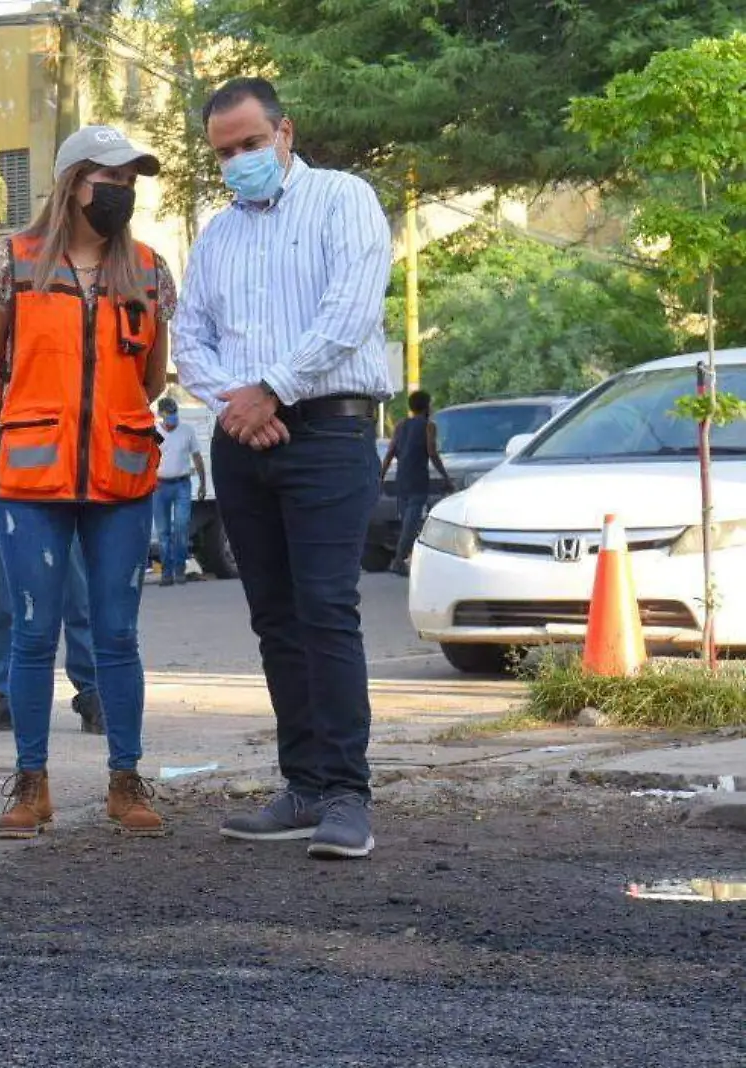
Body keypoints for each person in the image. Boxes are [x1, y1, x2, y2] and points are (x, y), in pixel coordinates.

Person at [172, 78, 392, 860]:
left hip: (329, 431)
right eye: (224, 152)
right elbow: (188, 336)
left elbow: (351, 312)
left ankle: (346, 796)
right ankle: (301, 785)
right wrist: (238, 404)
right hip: (245, 440)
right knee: (276, 618)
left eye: (250, 144)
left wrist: (274, 391)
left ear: (285, 133)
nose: (238, 161)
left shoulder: (343, 200)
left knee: (327, 609)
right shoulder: (217, 237)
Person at [0, 126, 175, 840]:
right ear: (73, 182)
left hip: (120, 474)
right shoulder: (13, 263)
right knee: (32, 634)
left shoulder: (149, 270)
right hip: (30, 476)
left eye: (131, 180)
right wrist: (11, 433)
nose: (124, 191)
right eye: (111, 178)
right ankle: (31, 784)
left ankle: (126, 779)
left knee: (118, 634)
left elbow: (150, 378)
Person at [0, 317, 104, 737]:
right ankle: (1, 693)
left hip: (65, 473)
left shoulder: (71, 318)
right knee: (3, 592)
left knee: (78, 590)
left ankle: (94, 691)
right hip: (0, 476)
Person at [380, 390, 449, 576]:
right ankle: (398, 560)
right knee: (411, 522)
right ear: (427, 406)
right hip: (418, 480)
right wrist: (445, 477)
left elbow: (390, 453)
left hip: (401, 480)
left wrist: (381, 477)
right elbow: (432, 452)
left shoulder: (401, 425)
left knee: (407, 522)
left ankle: (404, 559)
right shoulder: (429, 426)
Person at [152, 397, 208, 587]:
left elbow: (197, 457)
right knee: (163, 532)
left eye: (175, 415)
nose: (172, 419)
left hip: (182, 485)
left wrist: (202, 483)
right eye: (169, 416)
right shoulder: (154, 433)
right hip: (159, 487)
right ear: (161, 415)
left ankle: (179, 570)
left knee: (181, 528)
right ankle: (166, 573)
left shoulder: (187, 431)